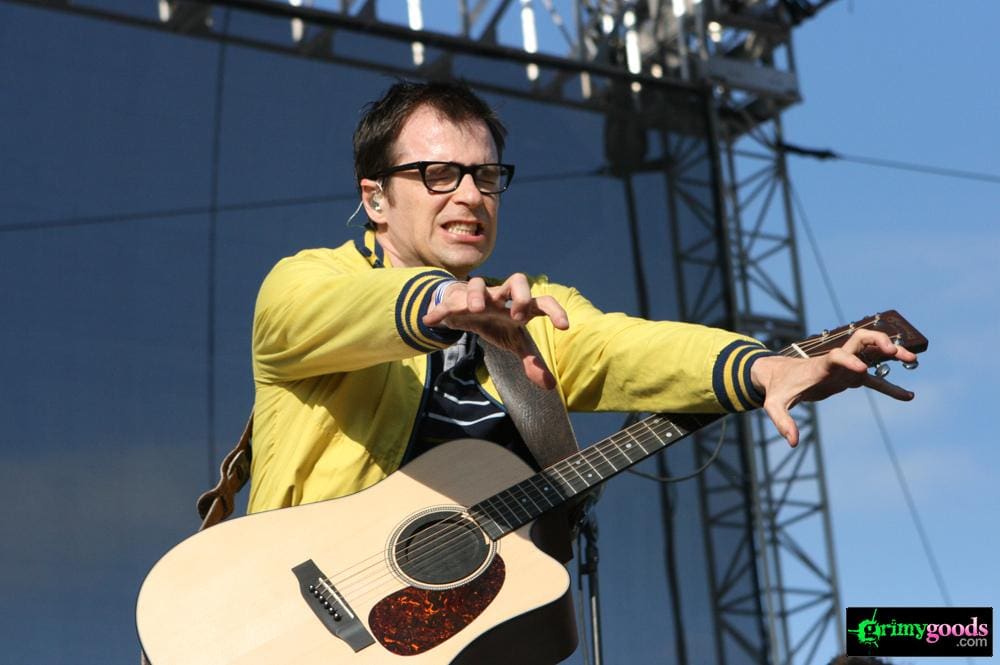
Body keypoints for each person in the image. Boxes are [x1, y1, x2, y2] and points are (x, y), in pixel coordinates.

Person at [247, 79, 916, 511]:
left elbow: (626, 348)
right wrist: (441, 302)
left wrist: (766, 367)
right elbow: (332, 314)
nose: (470, 195)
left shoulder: (532, 309)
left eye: (486, 176)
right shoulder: (306, 280)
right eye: (439, 174)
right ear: (375, 199)